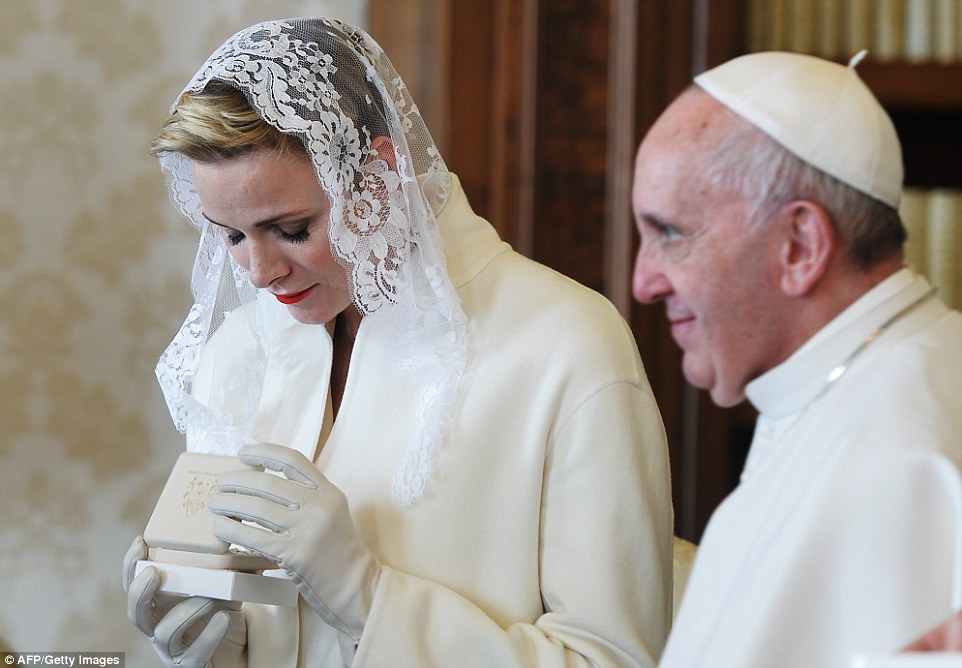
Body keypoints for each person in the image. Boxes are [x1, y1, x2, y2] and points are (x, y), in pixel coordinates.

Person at [123, 17, 673, 668]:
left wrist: (367, 597)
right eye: (232, 235)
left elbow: (613, 659)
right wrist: (222, 647)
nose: (260, 273)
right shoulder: (238, 355)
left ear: (378, 175)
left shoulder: (566, 345)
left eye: (292, 229)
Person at [631, 50, 962, 667]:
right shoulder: (846, 389)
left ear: (800, 245)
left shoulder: (905, 466)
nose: (643, 283)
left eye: (670, 234)